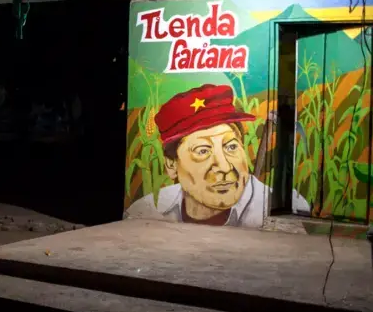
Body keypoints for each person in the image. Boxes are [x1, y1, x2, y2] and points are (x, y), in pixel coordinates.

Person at [126, 84, 309, 227]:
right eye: (203, 151)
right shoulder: (148, 208)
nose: (224, 166)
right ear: (171, 164)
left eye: (231, 147)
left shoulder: (285, 204)